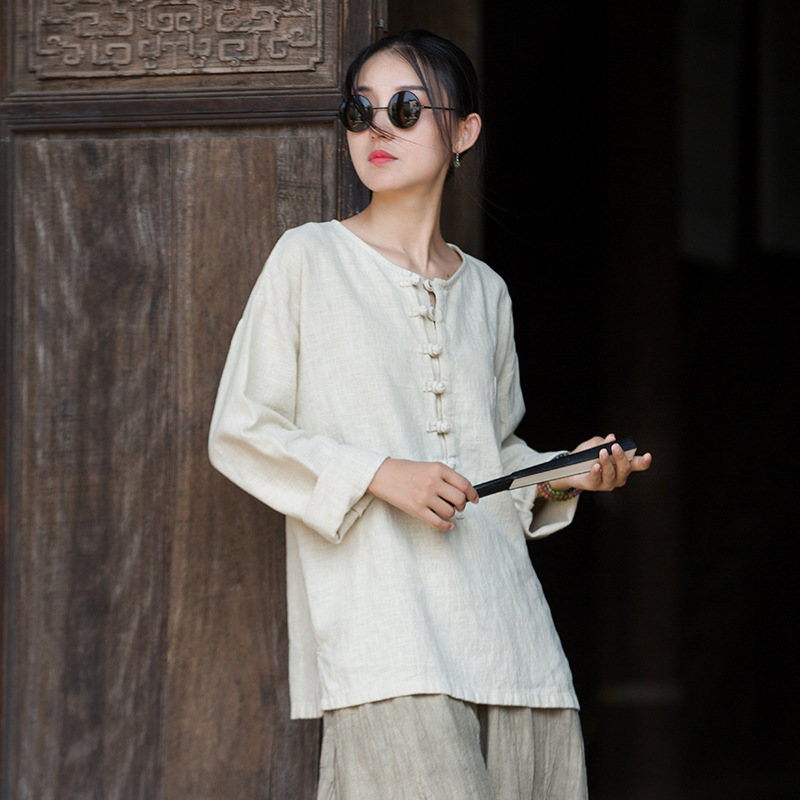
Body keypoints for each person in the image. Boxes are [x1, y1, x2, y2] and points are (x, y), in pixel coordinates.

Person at [208, 28, 652, 800]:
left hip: (512, 641)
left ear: (464, 132)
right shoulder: (308, 258)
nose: (378, 128)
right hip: (383, 634)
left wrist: (565, 476)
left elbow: (493, 458)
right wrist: (380, 473)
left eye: (406, 108)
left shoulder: (487, 292)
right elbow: (240, 428)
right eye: (361, 111)